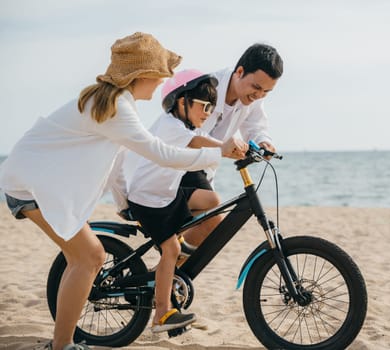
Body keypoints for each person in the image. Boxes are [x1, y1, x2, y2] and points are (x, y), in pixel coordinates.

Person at [0, 32, 242, 350]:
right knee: (89, 258)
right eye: (159, 75)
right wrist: (218, 152)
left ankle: (61, 344)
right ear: (143, 75)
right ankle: (61, 346)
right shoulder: (116, 108)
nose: (162, 83)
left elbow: (116, 162)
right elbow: (161, 154)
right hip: (32, 185)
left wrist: (122, 200)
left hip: (31, 180)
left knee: (88, 257)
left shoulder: (112, 103)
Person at [121, 69, 247, 333]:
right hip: (149, 200)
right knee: (171, 250)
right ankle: (162, 315)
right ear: (182, 102)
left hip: (166, 195)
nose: (208, 113)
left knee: (211, 199)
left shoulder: (181, 126)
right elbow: (200, 142)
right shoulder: (171, 126)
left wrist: (237, 149)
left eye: (212, 107)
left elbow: (200, 142)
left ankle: (181, 245)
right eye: (204, 106)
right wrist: (224, 146)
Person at [182, 43, 283, 187]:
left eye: (266, 91)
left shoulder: (252, 98)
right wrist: (223, 147)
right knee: (210, 203)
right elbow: (183, 135)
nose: (260, 95)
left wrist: (263, 142)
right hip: (176, 170)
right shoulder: (205, 88)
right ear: (240, 72)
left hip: (204, 172)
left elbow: (256, 127)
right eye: (256, 87)